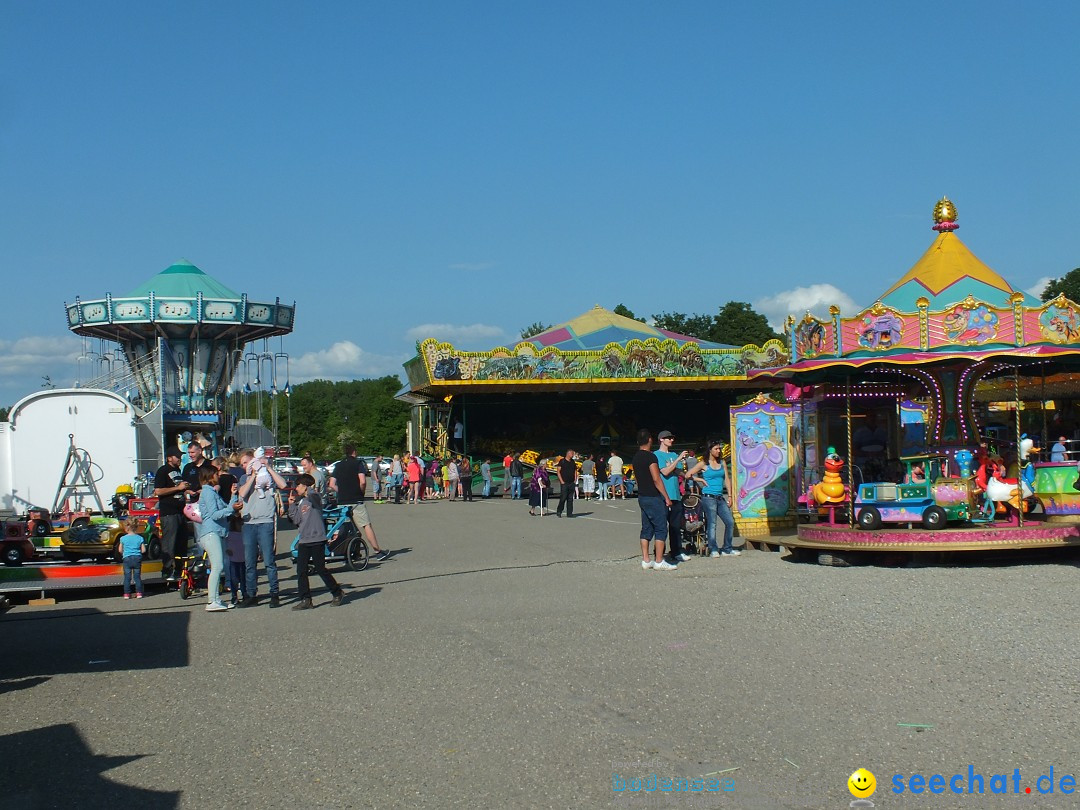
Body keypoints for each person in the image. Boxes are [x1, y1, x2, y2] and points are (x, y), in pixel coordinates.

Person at [236, 448, 287, 608]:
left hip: (265, 522)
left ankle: (274, 593)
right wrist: (252, 476)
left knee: (269, 561)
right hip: (249, 523)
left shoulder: (268, 475)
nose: (244, 465)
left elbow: (283, 484)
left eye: (246, 462)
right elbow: (242, 494)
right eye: (242, 464)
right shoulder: (244, 478)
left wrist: (268, 467)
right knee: (250, 563)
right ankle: (251, 595)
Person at [288, 473, 344, 610]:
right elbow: (296, 520)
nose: (296, 488)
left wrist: (308, 490)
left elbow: (313, 497)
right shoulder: (300, 502)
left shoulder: (315, 497)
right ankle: (306, 599)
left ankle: (337, 592)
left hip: (317, 538)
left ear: (305, 486)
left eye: (299, 486)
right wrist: (291, 506)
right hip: (304, 540)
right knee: (301, 571)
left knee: (320, 568)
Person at [329, 444, 391, 562]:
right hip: (356, 500)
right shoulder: (358, 464)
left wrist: (341, 491)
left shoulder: (338, 465)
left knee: (347, 528)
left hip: (342, 501)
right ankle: (377, 551)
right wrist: (360, 492)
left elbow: (331, 484)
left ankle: (347, 553)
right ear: (354, 452)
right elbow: (362, 481)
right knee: (366, 525)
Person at [196, 465, 242, 612]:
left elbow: (226, 508)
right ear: (210, 476)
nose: (219, 476)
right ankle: (211, 601)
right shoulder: (207, 492)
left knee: (218, 565)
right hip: (211, 532)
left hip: (217, 532)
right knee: (217, 566)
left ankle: (216, 599)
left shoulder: (212, 492)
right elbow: (215, 514)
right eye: (216, 474)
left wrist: (233, 495)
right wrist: (231, 509)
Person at [632, 429, 675, 570]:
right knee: (661, 528)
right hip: (653, 496)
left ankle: (646, 559)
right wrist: (666, 497)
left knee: (646, 528)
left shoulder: (636, 457)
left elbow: (637, 479)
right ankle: (659, 560)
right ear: (650, 439)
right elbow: (657, 479)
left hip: (642, 496)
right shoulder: (651, 457)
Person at [686, 440, 738, 557]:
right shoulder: (704, 463)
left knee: (729, 521)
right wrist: (700, 480)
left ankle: (727, 548)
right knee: (712, 523)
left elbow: (727, 479)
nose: (719, 451)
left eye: (719, 449)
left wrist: (730, 495)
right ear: (710, 450)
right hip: (708, 497)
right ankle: (713, 548)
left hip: (720, 497)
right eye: (716, 449)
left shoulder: (722, 462)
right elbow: (687, 475)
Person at [654, 430, 691, 564]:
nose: (671, 440)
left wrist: (689, 474)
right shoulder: (657, 455)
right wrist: (677, 460)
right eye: (668, 438)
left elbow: (677, 471)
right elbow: (665, 471)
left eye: (672, 438)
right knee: (661, 526)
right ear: (661, 440)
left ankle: (676, 551)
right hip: (664, 495)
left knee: (675, 526)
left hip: (675, 494)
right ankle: (659, 554)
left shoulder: (674, 455)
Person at [153, 448, 189, 581]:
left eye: (180, 456)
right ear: (169, 458)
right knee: (169, 542)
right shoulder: (163, 471)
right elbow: (158, 491)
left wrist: (186, 490)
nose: (179, 458)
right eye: (177, 456)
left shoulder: (178, 471)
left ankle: (180, 570)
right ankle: (167, 570)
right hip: (169, 513)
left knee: (181, 542)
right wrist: (177, 488)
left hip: (181, 512)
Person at [120, 518, 146, 599]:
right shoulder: (139, 538)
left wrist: (125, 553)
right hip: (137, 558)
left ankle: (127, 594)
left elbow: (120, 550)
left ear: (126, 528)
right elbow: (144, 550)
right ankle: (139, 593)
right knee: (137, 577)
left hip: (127, 558)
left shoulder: (123, 538)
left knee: (127, 577)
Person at [555, 450, 577, 518]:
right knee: (563, 497)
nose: (573, 455)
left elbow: (575, 471)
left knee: (570, 498)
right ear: (568, 454)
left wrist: (575, 480)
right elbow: (558, 471)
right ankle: (559, 511)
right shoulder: (562, 461)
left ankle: (569, 513)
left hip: (571, 483)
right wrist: (561, 481)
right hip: (564, 482)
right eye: (572, 454)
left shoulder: (573, 462)